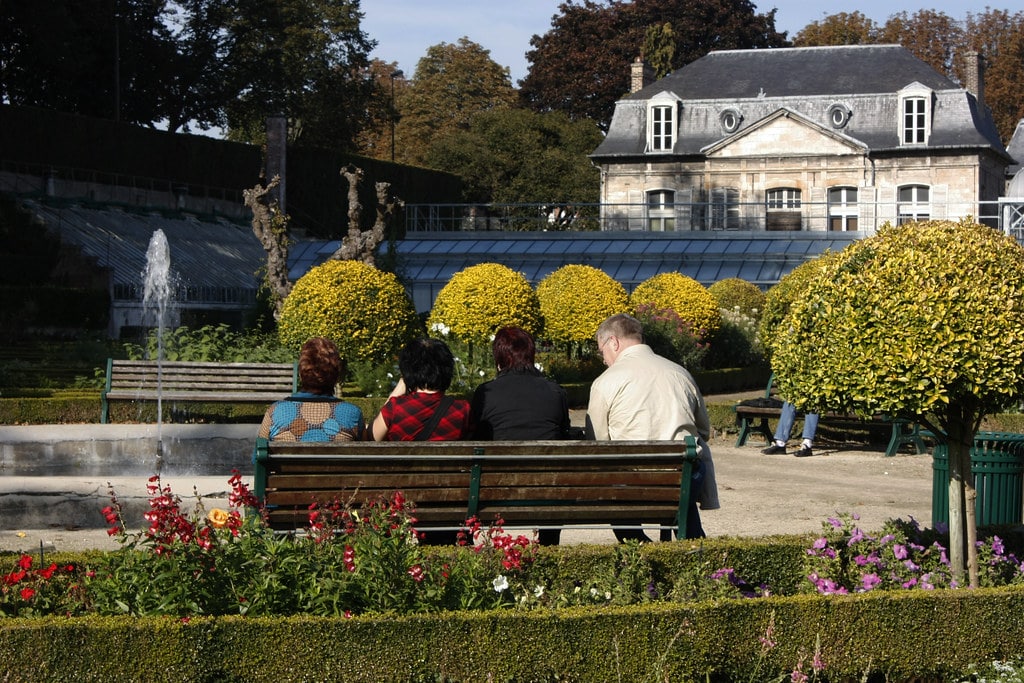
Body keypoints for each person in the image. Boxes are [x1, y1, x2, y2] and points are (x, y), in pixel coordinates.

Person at [586, 313, 719, 542]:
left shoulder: (606, 381)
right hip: (683, 480)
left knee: (614, 488)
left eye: (602, 352)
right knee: (683, 487)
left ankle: (639, 548)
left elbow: (597, 443)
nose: (604, 359)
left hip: (634, 484)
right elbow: (703, 431)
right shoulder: (680, 373)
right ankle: (693, 546)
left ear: (614, 342)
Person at [470, 326, 572, 545]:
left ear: (498, 357)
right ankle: (548, 548)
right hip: (547, 494)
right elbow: (564, 435)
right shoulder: (555, 391)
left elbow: (475, 439)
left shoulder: (485, 393)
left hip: (495, 492)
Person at [258, 337, 365, 442]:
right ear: (337, 376)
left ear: (300, 374)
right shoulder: (352, 413)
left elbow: (258, 456)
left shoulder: (275, 412)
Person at [371, 337, 471, 442]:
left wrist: (396, 391)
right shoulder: (463, 409)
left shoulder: (395, 408)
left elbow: (371, 438)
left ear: (407, 370)